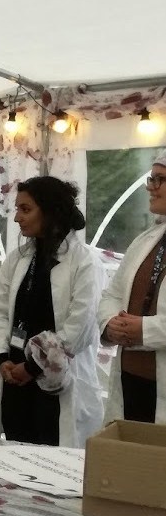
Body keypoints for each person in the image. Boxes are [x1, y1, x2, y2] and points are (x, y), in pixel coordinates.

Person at [0, 177, 104, 446]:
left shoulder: (84, 262)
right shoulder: (18, 258)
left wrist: (33, 367)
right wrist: (2, 359)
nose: (17, 219)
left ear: (50, 211)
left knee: (52, 460)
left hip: (55, 383)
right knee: (14, 454)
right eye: (17, 210)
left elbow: (79, 328)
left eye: (25, 210)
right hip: (14, 378)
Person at [98, 151, 166, 423]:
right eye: (151, 179)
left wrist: (145, 330)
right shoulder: (145, 240)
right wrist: (110, 323)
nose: (151, 187)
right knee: (128, 461)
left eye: (160, 179)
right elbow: (112, 294)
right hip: (131, 383)